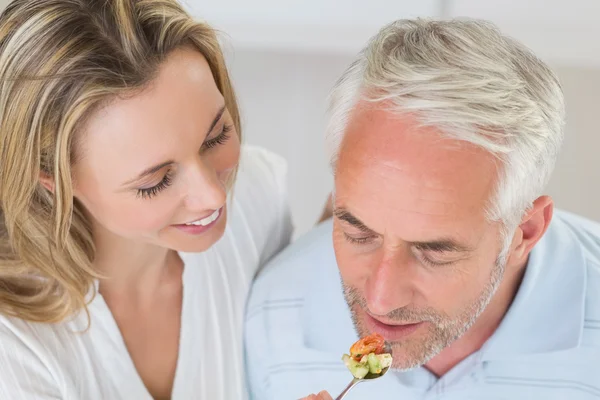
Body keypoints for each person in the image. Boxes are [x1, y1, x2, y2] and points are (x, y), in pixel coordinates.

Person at [245, 18, 600, 400]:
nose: (381, 300)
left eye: (434, 251)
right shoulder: (272, 314)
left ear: (524, 232)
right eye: (358, 233)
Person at [0, 0, 300, 398]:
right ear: (53, 180)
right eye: (156, 182)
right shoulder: (14, 345)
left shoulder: (257, 201)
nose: (213, 195)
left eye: (217, 136)